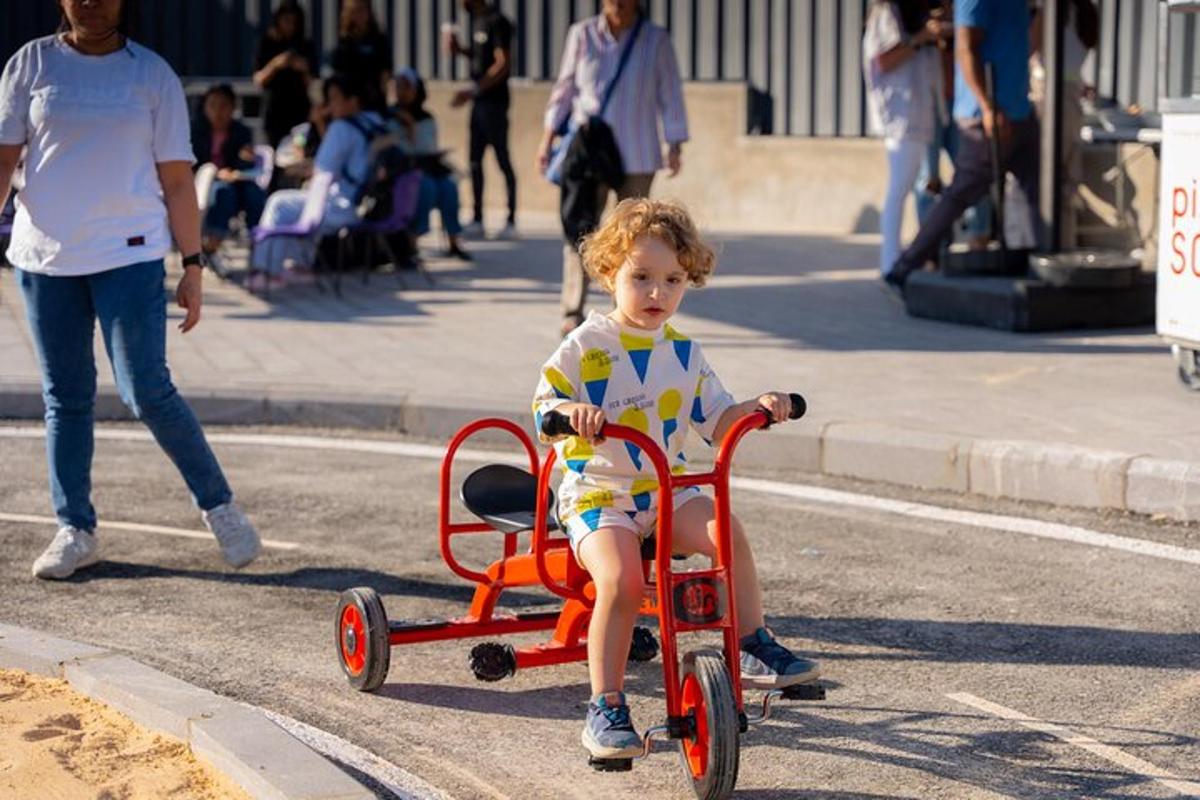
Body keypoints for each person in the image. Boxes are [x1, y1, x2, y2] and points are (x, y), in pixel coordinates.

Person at [531, 198, 820, 759]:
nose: (657, 293)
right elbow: (545, 406)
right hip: (599, 493)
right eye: (641, 278)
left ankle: (752, 643)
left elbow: (718, 418)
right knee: (620, 582)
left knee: (726, 532)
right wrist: (573, 413)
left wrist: (762, 404)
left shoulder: (684, 352)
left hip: (665, 489)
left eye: (672, 280)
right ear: (610, 272)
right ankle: (606, 706)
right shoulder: (586, 345)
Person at [0, 0, 260, 580]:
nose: (92, 3)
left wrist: (192, 264)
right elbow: (4, 161)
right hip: (47, 258)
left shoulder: (151, 75)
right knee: (65, 397)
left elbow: (176, 178)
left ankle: (220, 508)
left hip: (131, 253)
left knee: (147, 388)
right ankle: (75, 528)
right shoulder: (30, 66)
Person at [538, 0, 688, 337]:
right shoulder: (582, 35)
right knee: (579, 228)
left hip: (637, 152)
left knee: (636, 238)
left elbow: (670, 92)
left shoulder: (655, 39)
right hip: (589, 153)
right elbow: (565, 88)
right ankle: (572, 309)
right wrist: (547, 138)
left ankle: (625, 312)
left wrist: (675, 143)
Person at [885, 0, 1044, 293]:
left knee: (1038, 191)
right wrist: (986, 105)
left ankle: (1038, 260)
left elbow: (1026, 45)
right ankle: (904, 267)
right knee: (961, 194)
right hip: (986, 115)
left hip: (1020, 110)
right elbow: (965, 48)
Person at [250, 74, 387, 288]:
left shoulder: (341, 128)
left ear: (353, 101)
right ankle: (301, 266)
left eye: (334, 98)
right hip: (363, 204)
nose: (328, 105)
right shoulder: (375, 123)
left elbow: (323, 170)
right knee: (302, 202)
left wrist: (318, 127)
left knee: (280, 203)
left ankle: (266, 272)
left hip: (340, 206)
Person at [862, 0, 948, 277]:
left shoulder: (915, 14)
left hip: (919, 115)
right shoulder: (887, 13)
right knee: (899, 189)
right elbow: (883, 61)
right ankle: (890, 264)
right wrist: (922, 37)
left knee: (907, 187)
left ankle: (896, 261)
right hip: (901, 117)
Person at [445, 0, 517, 240]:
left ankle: (510, 220)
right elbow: (481, 57)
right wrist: (460, 51)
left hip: (494, 104)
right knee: (474, 161)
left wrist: (474, 90)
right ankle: (477, 218)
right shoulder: (477, 22)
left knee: (502, 160)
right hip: (479, 104)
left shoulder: (498, 22)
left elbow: (502, 64)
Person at [392, 68, 470, 261]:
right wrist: (408, 129)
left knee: (449, 188)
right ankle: (412, 243)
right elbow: (398, 148)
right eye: (399, 87)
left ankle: (454, 242)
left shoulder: (427, 118)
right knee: (425, 187)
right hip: (404, 170)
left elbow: (429, 146)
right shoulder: (392, 116)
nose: (403, 92)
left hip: (426, 166)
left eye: (407, 87)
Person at [191, 84, 266, 261]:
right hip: (205, 183)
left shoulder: (242, 131)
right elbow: (191, 165)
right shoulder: (195, 131)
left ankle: (258, 242)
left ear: (233, 108)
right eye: (213, 105)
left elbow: (246, 164)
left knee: (254, 194)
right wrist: (214, 172)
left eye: (224, 105)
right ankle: (212, 243)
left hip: (236, 180)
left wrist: (243, 161)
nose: (218, 111)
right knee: (223, 192)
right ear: (205, 107)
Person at [252, 0, 317, 150]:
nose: (290, 26)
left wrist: (303, 68)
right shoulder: (267, 43)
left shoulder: (305, 45)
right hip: (274, 113)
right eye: (286, 20)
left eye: (294, 22)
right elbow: (258, 79)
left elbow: (313, 83)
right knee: (274, 157)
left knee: (299, 151)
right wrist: (276, 64)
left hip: (300, 113)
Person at [329, 0, 391, 112]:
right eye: (354, 11)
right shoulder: (343, 40)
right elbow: (338, 72)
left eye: (362, 9)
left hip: (375, 98)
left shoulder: (378, 39)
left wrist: (383, 92)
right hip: (352, 101)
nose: (359, 14)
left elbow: (386, 70)